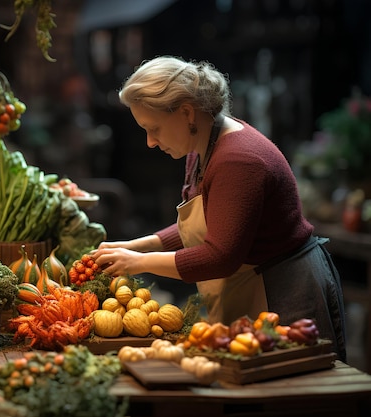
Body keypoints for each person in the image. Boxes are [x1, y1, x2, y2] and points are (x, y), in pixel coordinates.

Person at [91, 56, 347, 361]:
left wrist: (138, 263)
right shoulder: (200, 144)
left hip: (286, 293)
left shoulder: (237, 160)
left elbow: (220, 256)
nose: (150, 142)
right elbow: (210, 220)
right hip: (254, 283)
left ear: (186, 112)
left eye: (154, 128)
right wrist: (136, 246)